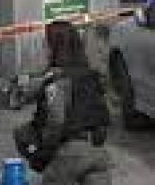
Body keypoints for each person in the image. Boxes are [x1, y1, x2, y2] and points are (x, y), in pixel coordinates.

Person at [14, 21, 111, 184]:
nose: (44, 49)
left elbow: (55, 122)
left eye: (46, 45)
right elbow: (102, 117)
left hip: (69, 152)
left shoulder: (57, 81)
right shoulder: (92, 76)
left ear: (54, 48)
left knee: (22, 134)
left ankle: (53, 165)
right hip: (96, 154)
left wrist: (43, 154)